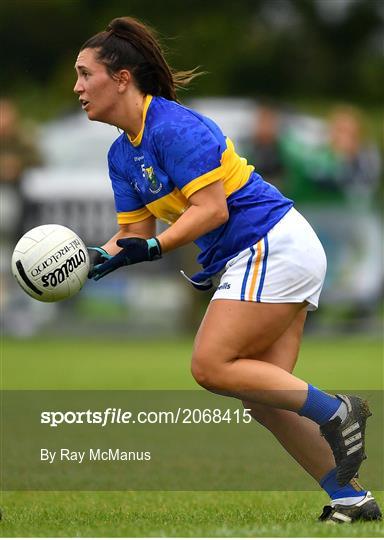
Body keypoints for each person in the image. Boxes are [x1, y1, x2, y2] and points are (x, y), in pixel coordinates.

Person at [74, 17, 381, 524]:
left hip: (271, 244)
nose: (77, 87)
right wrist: (83, 262)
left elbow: (211, 210)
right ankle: (351, 497)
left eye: (86, 74)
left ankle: (337, 411)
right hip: (267, 251)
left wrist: (150, 248)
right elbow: (130, 235)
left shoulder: (173, 125)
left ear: (122, 77)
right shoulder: (121, 153)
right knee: (265, 398)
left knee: (211, 366)